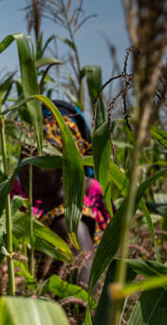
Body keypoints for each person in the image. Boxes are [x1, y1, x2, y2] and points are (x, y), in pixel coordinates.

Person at [11, 100, 110, 285]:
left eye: (38, 160)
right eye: (23, 158)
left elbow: (85, 294)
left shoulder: (68, 223)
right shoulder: (52, 219)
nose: (26, 168)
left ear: (64, 165)